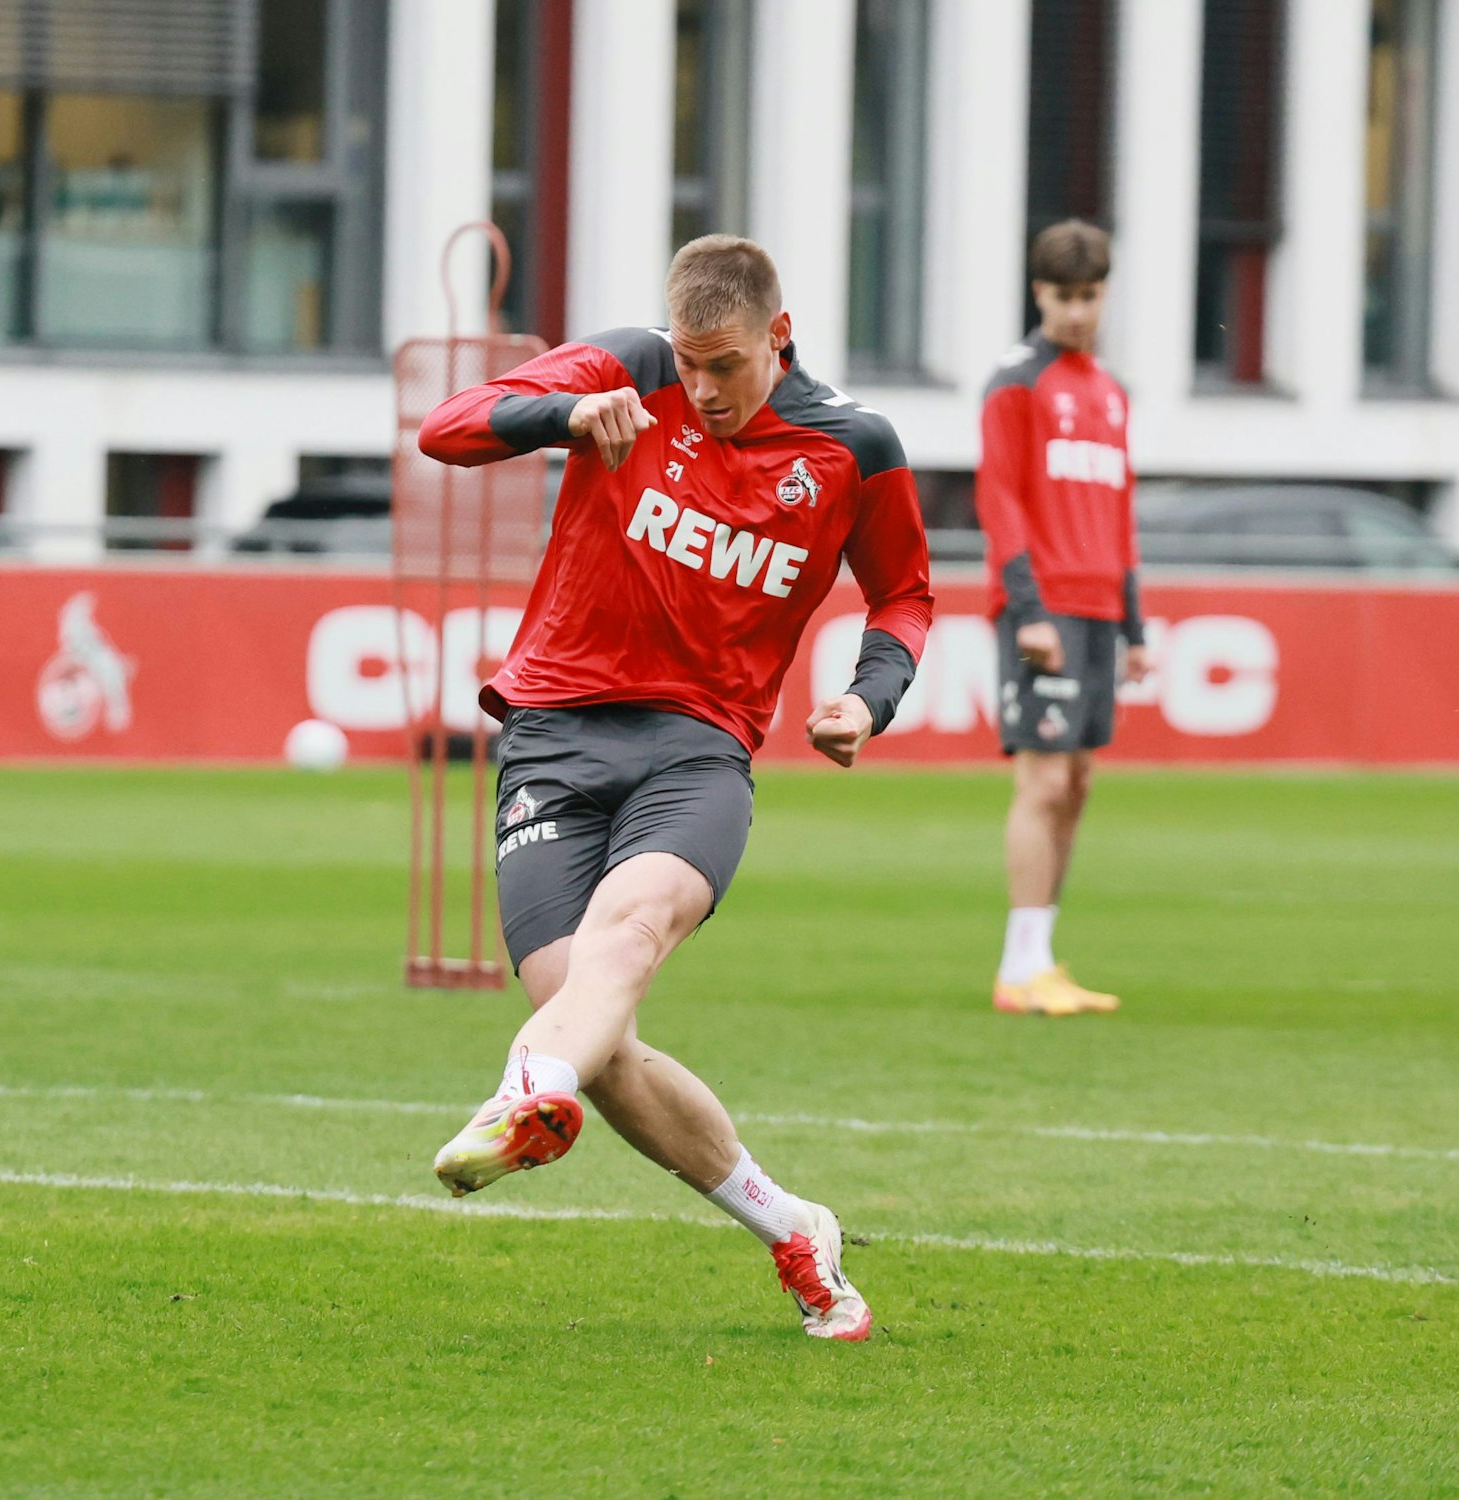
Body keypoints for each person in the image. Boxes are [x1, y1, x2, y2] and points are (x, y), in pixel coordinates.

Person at [416, 236, 933, 1342]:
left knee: (626, 937)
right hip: (552, 739)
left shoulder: (852, 446)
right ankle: (790, 1223)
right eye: (688, 364)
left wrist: (866, 699)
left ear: (777, 337)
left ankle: (518, 1098)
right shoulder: (626, 371)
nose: (702, 390)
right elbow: (446, 428)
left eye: (727, 366)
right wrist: (559, 416)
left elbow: (902, 598)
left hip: (694, 751)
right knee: (595, 1045)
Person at [975, 219, 1152, 1018]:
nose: (1077, 311)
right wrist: (1027, 607)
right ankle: (1017, 967)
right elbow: (1001, 497)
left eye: (1089, 295)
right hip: (1042, 609)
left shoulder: (1110, 391)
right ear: (1038, 292)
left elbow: (1120, 514)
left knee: (1077, 781)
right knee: (1042, 779)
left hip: (1097, 612)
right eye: (1063, 295)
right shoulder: (1016, 382)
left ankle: (1041, 955)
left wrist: (1136, 626)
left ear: (1104, 294)